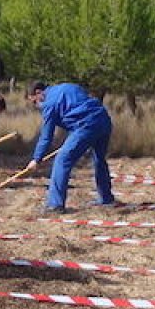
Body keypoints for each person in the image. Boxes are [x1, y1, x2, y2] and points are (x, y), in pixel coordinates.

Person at [25, 81, 115, 213]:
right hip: (103, 119)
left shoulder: (49, 104)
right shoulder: (67, 87)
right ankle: (106, 198)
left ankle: (55, 205)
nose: (37, 105)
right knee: (99, 159)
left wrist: (36, 159)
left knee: (62, 160)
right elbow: (77, 109)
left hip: (85, 125)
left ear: (39, 93)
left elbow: (46, 136)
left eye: (35, 102)